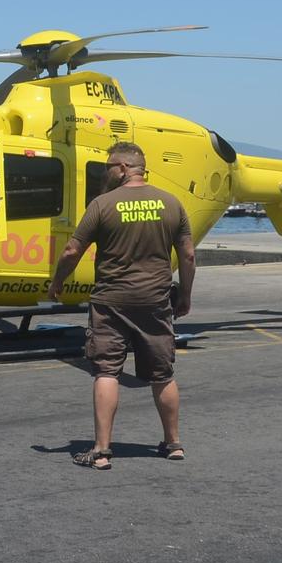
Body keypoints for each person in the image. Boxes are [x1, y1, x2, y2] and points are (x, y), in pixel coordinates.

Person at [47, 141, 196, 470]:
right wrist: (184, 294)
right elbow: (187, 254)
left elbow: (72, 251)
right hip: (155, 301)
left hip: (111, 303)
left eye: (109, 166)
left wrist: (57, 282)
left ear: (125, 168)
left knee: (106, 371)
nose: (106, 172)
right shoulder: (172, 204)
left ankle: (101, 451)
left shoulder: (102, 205)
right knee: (163, 374)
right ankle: (173, 444)